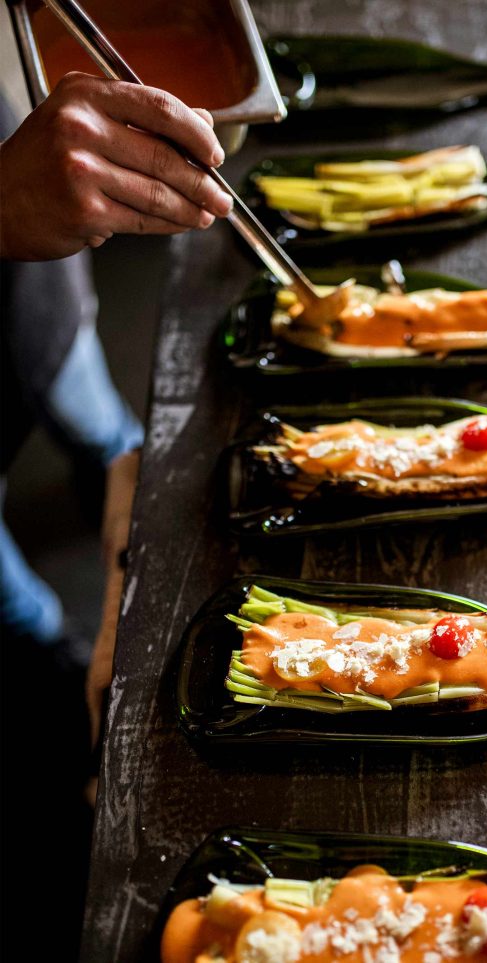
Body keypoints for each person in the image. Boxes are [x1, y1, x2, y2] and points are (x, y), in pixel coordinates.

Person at [1, 71, 232, 738]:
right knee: (20, 615)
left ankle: (108, 480)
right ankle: (58, 674)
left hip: (35, 282)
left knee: (104, 433)